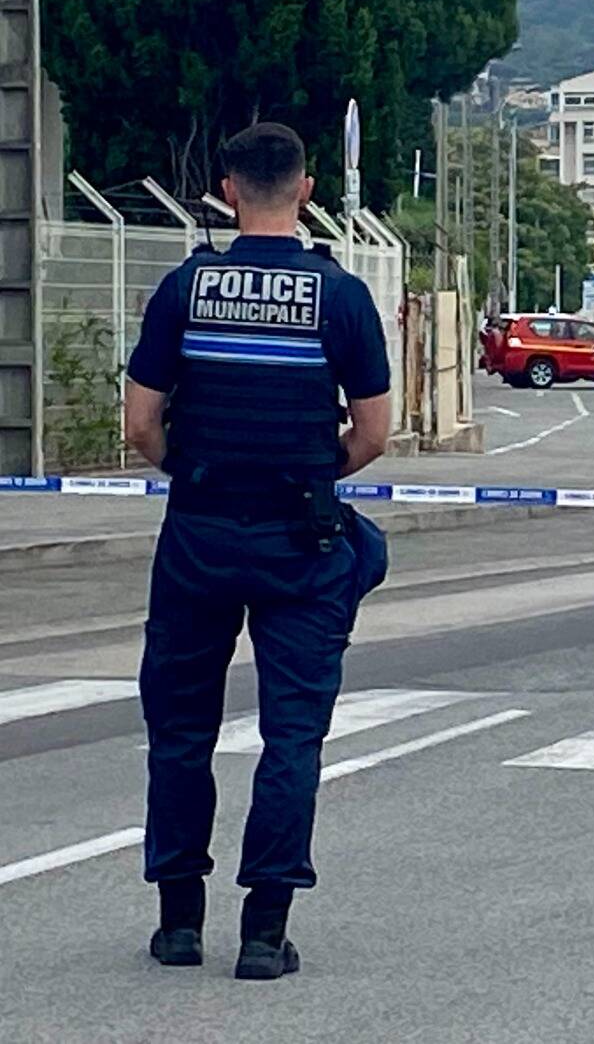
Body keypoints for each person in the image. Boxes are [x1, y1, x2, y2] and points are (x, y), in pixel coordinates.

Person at [122, 123, 393, 983]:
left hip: (198, 533)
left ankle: (177, 925)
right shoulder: (340, 295)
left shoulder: (186, 288)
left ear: (228, 191)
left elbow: (139, 424)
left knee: (179, 728)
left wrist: (197, 473)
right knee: (291, 739)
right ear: (306, 189)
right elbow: (375, 433)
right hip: (300, 541)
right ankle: (266, 934)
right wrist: (311, 472)